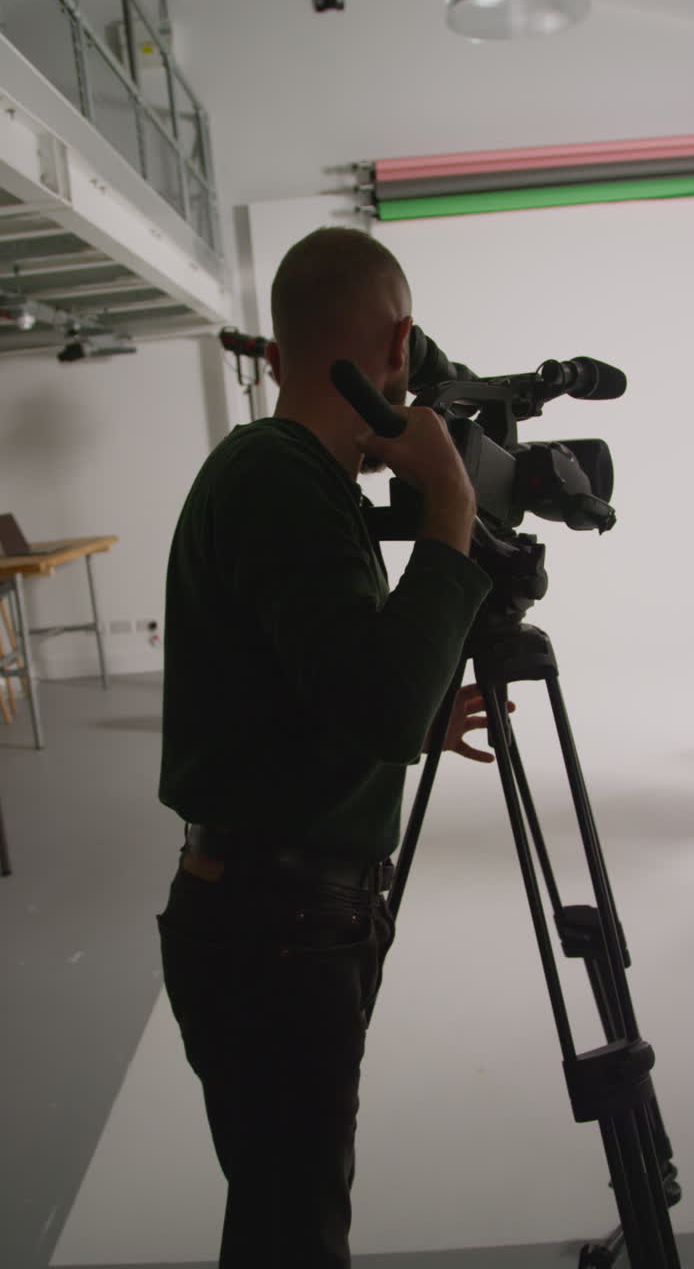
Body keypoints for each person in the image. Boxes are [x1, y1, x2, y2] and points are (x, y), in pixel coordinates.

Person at [156, 226, 499, 1268]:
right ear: (400, 343)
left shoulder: (288, 476)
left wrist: (408, 712)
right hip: (278, 932)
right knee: (295, 1229)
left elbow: (316, 686)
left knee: (283, 1210)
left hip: (267, 919)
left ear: (274, 353)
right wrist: (450, 499)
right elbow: (383, 703)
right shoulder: (283, 479)